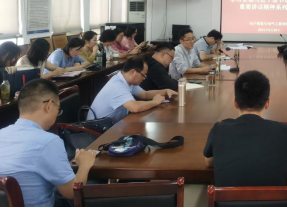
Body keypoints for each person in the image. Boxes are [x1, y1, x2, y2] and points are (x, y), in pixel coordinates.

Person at [0, 79, 97, 207]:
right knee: (94, 186)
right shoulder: (49, 142)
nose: (57, 114)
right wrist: (85, 164)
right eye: (58, 109)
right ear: (49, 106)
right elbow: (72, 192)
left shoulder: (2, 133)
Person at [204, 71, 287, 187]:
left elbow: (209, 162)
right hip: (272, 198)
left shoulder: (219, 130)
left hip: (226, 198)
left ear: (235, 102)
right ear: (267, 103)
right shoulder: (284, 131)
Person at [88, 57, 178, 124]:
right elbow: (134, 107)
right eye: (143, 75)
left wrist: (166, 91)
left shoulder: (126, 80)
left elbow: (144, 94)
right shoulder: (118, 85)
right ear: (133, 72)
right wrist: (155, 102)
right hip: (98, 129)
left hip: (113, 124)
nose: (144, 78)